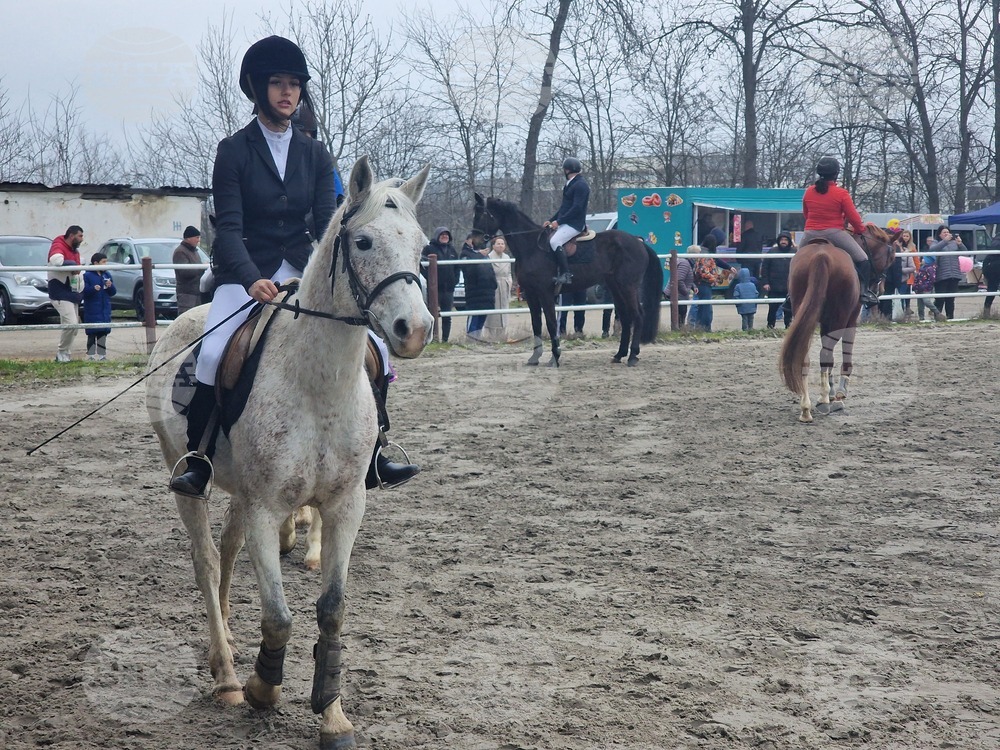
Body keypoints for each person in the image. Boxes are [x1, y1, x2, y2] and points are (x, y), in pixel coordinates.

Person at [170, 35, 416, 498]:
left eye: (294, 85)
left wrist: (325, 277)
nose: (287, 93)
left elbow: (327, 226)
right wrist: (250, 279)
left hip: (305, 270)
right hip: (247, 271)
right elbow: (228, 228)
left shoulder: (316, 154)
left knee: (377, 353)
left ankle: (376, 453)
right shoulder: (234, 150)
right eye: (277, 83)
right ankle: (199, 456)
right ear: (258, 89)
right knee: (212, 350)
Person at [801, 156, 878, 307]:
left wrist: (814, 225)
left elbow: (806, 213)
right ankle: (864, 292)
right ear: (836, 174)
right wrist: (859, 229)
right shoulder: (841, 193)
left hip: (810, 233)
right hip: (834, 233)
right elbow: (854, 217)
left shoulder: (809, 191)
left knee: (796, 260)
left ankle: (790, 295)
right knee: (863, 259)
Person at [543, 156, 590, 286]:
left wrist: (559, 222)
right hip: (567, 222)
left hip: (575, 224)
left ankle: (566, 274)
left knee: (555, 241)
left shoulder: (580, 185)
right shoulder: (570, 184)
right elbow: (564, 208)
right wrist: (551, 220)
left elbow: (577, 208)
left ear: (567, 170)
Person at [47, 225, 85, 363]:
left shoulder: (75, 250)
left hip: (72, 293)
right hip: (60, 292)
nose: (82, 239)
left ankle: (65, 354)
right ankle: (62, 352)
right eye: (80, 236)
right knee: (71, 324)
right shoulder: (58, 245)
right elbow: (56, 261)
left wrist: (75, 267)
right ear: (72, 236)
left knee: (73, 327)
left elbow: (77, 267)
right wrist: (72, 265)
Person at [421, 227, 459, 342]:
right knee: (432, 315)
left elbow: (457, 267)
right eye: (442, 235)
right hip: (434, 289)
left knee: (447, 316)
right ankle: (432, 338)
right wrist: (430, 278)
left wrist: (454, 280)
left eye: (446, 235)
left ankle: (445, 340)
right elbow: (422, 265)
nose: (444, 237)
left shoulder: (452, 250)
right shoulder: (429, 249)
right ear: (437, 235)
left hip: (449, 289)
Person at [459, 232, 497, 341]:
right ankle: (470, 340)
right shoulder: (465, 254)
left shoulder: (484, 253)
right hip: (474, 291)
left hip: (487, 291)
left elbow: (490, 270)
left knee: (482, 318)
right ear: (467, 241)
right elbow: (468, 268)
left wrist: (494, 284)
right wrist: (479, 255)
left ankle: (478, 339)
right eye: (473, 239)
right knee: (474, 317)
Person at [691, 235, 733, 332]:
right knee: (706, 309)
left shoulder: (702, 252)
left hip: (700, 284)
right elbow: (704, 272)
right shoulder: (706, 256)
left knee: (701, 307)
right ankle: (705, 328)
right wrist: (715, 279)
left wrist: (728, 267)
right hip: (704, 284)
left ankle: (698, 327)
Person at [81, 252, 116, 360]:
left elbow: (113, 292)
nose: (105, 264)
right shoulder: (87, 275)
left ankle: (102, 355)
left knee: (103, 333)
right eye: (103, 262)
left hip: (104, 308)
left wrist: (110, 286)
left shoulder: (107, 275)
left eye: (106, 262)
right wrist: (92, 289)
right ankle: (90, 355)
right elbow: (83, 291)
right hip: (92, 309)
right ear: (95, 263)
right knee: (92, 332)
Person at [760, 232, 794, 329]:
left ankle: (788, 326)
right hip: (774, 286)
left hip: (789, 286)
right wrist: (765, 282)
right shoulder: (772, 251)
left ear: (789, 241)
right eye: (782, 240)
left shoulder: (794, 252)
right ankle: (770, 326)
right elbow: (765, 268)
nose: (783, 242)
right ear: (778, 241)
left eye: (786, 240)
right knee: (772, 308)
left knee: (788, 309)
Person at [483, 235, 514, 342]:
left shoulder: (507, 257)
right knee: (493, 311)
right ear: (493, 245)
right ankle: (491, 336)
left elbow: (509, 272)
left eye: (502, 244)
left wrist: (509, 281)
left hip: (505, 285)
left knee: (504, 309)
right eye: (498, 243)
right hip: (494, 285)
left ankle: (503, 334)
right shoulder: (489, 257)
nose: (500, 246)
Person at [930, 226, 964, 320]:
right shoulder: (936, 242)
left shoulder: (954, 243)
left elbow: (966, 253)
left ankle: (950, 318)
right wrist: (944, 241)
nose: (946, 234)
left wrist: (960, 244)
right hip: (941, 275)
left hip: (954, 274)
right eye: (944, 232)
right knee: (940, 299)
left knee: (950, 299)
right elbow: (932, 250)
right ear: (939, 234)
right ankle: (938, 317)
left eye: (947, 232)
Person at [173, 225, 205, 315]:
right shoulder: (180, 252)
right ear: (189, 238)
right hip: (186, 295)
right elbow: (185, 272)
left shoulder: (195, 251)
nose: (198, 240)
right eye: (197, 237)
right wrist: (202, 267)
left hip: (196, 294)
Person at [665, 246, 696, 327]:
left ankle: (678, 329)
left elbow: (684, 277)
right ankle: (678, 330)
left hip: (678, 293)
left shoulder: (684, 262)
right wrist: (686, 291)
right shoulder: (685, 264)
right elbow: (679, 280)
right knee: (681, 315)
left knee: (680, 314)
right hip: (679, 294)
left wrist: (693, 286)